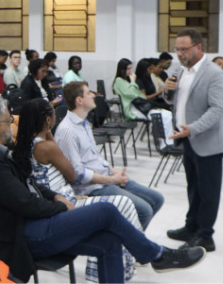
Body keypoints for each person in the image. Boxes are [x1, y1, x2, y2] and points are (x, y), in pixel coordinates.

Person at [0, 96, 206, 283]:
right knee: (106, 211)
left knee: (109, 240)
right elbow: (25, 203)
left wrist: (55, 195)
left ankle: (155, 256)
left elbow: (28, 185)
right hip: (19, 235)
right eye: (8, 120)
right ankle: (157, 256)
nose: (12, 123)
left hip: (30, 223)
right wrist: (60, 205)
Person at [12, 98, 142, 282]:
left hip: (52, 201)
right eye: (54, 114)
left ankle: (128, 261)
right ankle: (130, 261)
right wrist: (50, 134)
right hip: (65, 203)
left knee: (118, 210)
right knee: (123, 203)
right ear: (48, 120)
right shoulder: (47, 146)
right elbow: (71, 174)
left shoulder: (24, 145)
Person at [55, 81, 165, 230]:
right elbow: (77, 174)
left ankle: (130, 241)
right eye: (89, 93)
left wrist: (115, 172)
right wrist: (111, 179)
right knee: (144, 210)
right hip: (91, 188)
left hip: (105, 178)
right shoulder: (68, 130)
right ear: (79, 101)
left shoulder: (84, 123)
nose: (93, 95)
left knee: (157, 199)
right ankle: (129, 245)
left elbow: (96, 158)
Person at [163, 28, 223, 252]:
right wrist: (168, 92)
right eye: (177, 49)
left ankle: (205, 235)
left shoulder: (214, 74)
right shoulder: (181, 71)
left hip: (207, 141)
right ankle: (191, 226)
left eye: (184, 49)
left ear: (198, 47)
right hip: (188, 140)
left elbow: (217, 110)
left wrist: (191, 129)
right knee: (193, 187)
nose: (180, 54)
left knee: (208, 191)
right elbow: (175, 101)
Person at [113, 58, 174, 146]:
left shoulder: (127, 80)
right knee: (164, 116)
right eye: (128, 69)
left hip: (140, 106)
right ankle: (166, 143)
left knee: (168, 114)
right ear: (122, 69)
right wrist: (133, 82)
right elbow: (131, 94)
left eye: (131, 68)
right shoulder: (119, 81)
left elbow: (140, 96)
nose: (131, 71)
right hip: (133, 110)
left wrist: (133, 86)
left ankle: (169, 142)